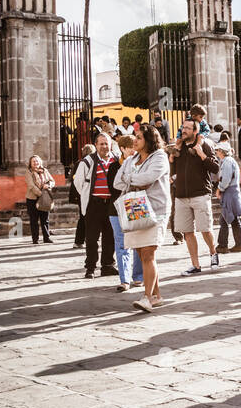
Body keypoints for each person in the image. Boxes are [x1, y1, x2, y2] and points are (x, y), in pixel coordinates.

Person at [117, 123, 171, 312]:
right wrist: (133, 179)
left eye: (138, 137)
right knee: (141, 253)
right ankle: (157, 295)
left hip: (156, 210)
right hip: (135, 208)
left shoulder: (160, 158)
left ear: (149, 140)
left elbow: (147, 179)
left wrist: (129, 178)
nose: (135, 140)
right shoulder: (131, 160)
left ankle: (147, 297)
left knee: (148, 253)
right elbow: (117, 181)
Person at [170, 117, 221, 275]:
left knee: (205, 229)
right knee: (187, 232)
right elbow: (173, 172)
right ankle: (195, 265)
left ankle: (213, 254)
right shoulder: (179, 148)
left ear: (195, 131)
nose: (183, 130)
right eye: (183, 127)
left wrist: (202, 155)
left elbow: (215, 168)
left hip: (200, 193)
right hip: (181, 195)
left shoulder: (203, 145)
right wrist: (172, 160)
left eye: (187, 128)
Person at [73, 132, 117, 280]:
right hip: (94, 204)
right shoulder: (87, 161)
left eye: (107, 143)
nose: (104, 146)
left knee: (110, 236)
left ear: (110, 144)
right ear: (96, 145)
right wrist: (88, 196)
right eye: (101, 144)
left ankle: (107, 266)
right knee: (91, 238)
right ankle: (90, 267)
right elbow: (78, 183)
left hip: (111, 204)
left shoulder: (116, 160)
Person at [106, 134, 145, 292]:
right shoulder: (114, 167)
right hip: (117, 209)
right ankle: (124, 280)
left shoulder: (141, 164)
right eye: (130, 147)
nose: (133, 150)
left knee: (138, 244)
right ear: (122, 149)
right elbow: (114, 188)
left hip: (136, 205)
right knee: (122, 245)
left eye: (135, 147)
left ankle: (138, 276)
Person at [215, 142, 241, 254]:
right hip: (232, 192)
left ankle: (223, 245)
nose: (216, 152)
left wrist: (220, 188)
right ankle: (238, 243)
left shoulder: (227, 162)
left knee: (227, 218)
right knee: (231, 219)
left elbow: (226, 179)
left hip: (230, 193)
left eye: (218, 150)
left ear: (222, 151)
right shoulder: (229, 161)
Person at [24, 155, 55, 244]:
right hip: (32, 198)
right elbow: (31, 186)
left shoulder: (45, 171)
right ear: (30, 163)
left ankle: (46, 237)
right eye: (33, 161)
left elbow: (52, 181)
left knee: (45, 219)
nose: (35, 163)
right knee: (34, 220)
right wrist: (41, 194)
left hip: (45, 199)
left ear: (40, 162)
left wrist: (48, 185)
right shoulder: (28, 172)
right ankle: (35, 239)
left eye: (37, 161)